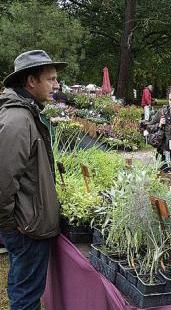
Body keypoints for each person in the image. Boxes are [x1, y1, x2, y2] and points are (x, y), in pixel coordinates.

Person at [0, 50, 65, 310]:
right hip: (27, 227)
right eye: (50, 79)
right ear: (31, 81)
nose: (56, 85)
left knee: (24, 290)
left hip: (28, 223)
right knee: (26, 297)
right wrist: (12, 226)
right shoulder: (17, 120)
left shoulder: (26, 113)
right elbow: (3, 180)